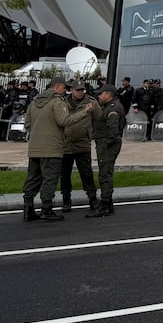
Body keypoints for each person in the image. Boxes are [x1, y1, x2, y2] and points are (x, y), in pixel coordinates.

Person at [22, 77, 91, 222]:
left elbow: (27, 124)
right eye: (64, 88)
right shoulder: (57, 101)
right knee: (50, 178)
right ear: (57, 87)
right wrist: (84, 112)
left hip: (35, 147)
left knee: (33, 178)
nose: (65, 91)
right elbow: (64, 121)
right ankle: (46, 209)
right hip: (52, 147)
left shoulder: (34, 102)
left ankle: (28, 208)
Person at [60, 80, 100, 213]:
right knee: (64, 174)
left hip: (83, 143)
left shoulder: (91, 102)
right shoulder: (62, 102)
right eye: (78, 90)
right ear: (71, 90)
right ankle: (66, 200)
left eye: (82, 90)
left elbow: (98, 119)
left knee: (86, 173)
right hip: (66, 143)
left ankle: (93, 200)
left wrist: (92, 135)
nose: (81, 92)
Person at [88, 85, 125, 218]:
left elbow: (113, 131)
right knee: (105, 173)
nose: (99, 96)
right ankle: (108, 204)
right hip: (106, 144)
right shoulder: (110, 106)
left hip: (107, 145)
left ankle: (104, 205)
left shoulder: (112, 109)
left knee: (105, 175)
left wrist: (105, 144)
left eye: (101, 94)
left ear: (108, 95)